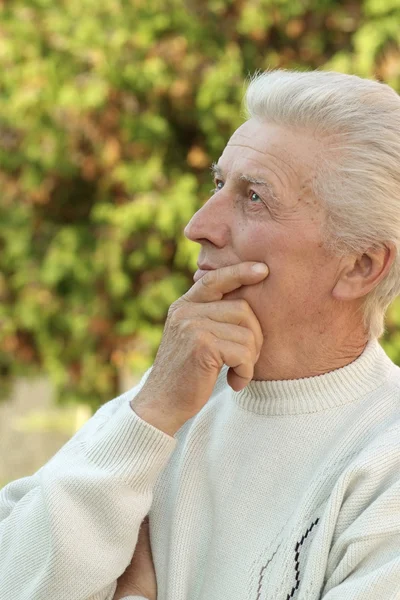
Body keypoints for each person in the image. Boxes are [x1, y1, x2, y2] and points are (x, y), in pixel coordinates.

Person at [1, 69, 400, 600]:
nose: (198, 225)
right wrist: (152, 414)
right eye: (219, 184)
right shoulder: (159, 409)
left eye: (254, 197)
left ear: (361, 266)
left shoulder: (385, 463)